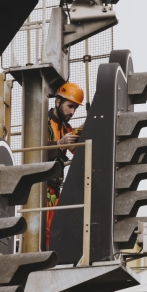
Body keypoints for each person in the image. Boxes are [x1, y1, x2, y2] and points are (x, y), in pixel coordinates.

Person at [46, 81, 84, 248]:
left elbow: (77, 149)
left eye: (75, 108)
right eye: (70, 106)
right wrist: (59, 143)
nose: (72, 112)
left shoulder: (67, 128)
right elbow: (33, 153)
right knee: (47, 231)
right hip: (40, 188)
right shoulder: (43, 123)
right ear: (58, 102)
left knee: (58, 229)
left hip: (55, 189)